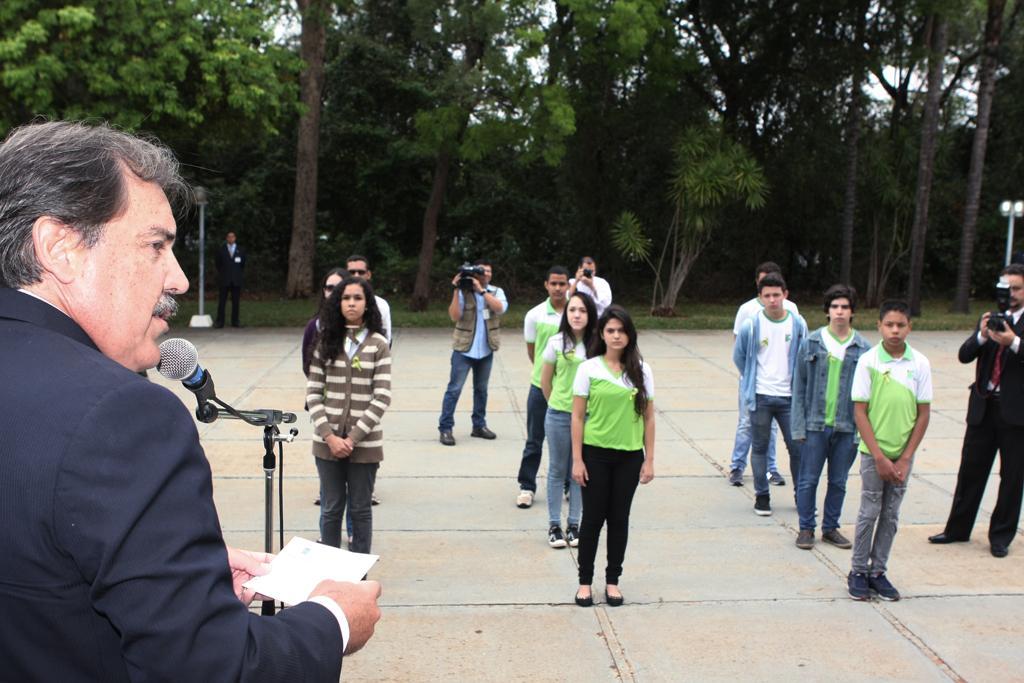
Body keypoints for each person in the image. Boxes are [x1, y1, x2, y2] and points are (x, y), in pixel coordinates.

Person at [0, 120, 380, 680]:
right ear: (61, 247)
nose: (177, 279)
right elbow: (215, 670)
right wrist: (333, 620)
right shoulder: (122, 416)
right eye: (156, 245)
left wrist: (164, 571)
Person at [929, 264, 1024, 558]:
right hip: (983, 408)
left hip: (1016, 413)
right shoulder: (991, 319)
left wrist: (1015, 343)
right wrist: (982, 336)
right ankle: (957, 529)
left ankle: (1000, 536)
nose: (1010, 293)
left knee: (1012, 477)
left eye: (1017, 288)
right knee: (970, 471)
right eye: (1006, 288)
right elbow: (964, 355)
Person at [847, 300, 932, 601]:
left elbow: (923, 414)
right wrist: (879, 456)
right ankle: (858, 570)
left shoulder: (919, 363)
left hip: (902, 455)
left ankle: (878, 571)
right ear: (879, 326)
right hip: (874, 453)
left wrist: (906, 457)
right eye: (889, 325)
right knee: (869, 511)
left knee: (891, 514)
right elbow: (860, 412)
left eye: (901, 325)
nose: (895, 331)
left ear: (910, 327)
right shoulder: (869, 361)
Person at [571, 305, 655, 608]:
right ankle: (584, 582)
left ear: (629, 334)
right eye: (610, 330)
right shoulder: (588, 369)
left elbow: (649, 417)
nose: (616, 335)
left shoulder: (641, 370)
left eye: (621, 330)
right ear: (602, 334)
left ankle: (612, 581)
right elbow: (578, 417)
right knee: (592, 519)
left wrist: (649, 459)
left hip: (630, 456)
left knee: (619, 519)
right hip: (595, 455)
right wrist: (577, 460)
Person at [306, 276, 392, 554]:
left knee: (360, 510)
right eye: (346, 298)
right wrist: (330, 436)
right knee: (331, 508)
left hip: (364, 445)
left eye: (357, 298)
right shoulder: (325, 340)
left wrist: (352, 438)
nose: (351, 303)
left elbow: (382, 397)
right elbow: (313, 393)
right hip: (327, 444)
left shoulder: (378, 344)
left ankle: (359, 576)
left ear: (367, 304)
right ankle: (330, 573)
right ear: (337, 303)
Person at [791, 284, 870, 550]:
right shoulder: (812, 342)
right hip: (815, 425)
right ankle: (805, 528)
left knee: (838, 481)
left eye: (845, 307)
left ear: (852, 312)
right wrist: (798, 426)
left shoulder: (863, 348)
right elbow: (798, 386)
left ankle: (831, 528)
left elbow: (867, 395)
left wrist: (862, 430)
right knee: (808, 479)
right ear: (827, 311)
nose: (839, 312)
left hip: (847, 426)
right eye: (835, 307)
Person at [732, 273, 807, 516]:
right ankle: (762, 496)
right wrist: (753, 379)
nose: (773, 300)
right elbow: (739, 356)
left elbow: (805, 355)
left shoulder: (797, 324)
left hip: (790, 398)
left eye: (777, 295)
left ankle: (801, 496)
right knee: (761, 447)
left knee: (797, 449)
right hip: (761, 397)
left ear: (785, 295)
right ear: (760, 297)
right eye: (767, 296)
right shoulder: (751, 325)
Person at [540, 291, 597, 548]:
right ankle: (554, 526)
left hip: (590, 417)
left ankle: (574, 525)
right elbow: (545, 382)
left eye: (582, 311)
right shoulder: (556, 342)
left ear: (590, 315)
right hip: (559, 416)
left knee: (580, 471)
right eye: (572, 310)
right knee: (557, 470)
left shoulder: (598, 343)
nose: (576, 315)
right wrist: (560, 405)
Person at [516, 266, 571, 508]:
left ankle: (571, 484)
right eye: (554, 284)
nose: (558, 288)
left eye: (562, 284)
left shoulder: (577, 312)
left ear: (569, 285)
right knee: (534, 439)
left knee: (572, 439)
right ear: (546, 285)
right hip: (540, 386)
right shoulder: (535, 315)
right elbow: (532, 351)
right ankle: (527, 486)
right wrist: (545, 373)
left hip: (569, 389)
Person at [438, 259, 508, 445]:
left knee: (481, 390)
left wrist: (482, 291)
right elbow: (454, 316)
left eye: (488, 271)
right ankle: (445, 428)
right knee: (454, 390)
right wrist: (456, 289)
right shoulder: (463, 291)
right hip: (463, 349)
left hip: (486, 349)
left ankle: (479, 426)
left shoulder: (496, 291)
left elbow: (500, 309)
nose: (485, 274)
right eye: (481, 271)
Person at [346, 254, 392, 343]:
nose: (356, 275)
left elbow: (386, 339)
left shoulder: (381, 305)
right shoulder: (337, 302)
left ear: (368, 274)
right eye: (352, 272)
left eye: (361, 272)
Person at [214, 230, 245, 328]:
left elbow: (243, 264)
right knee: (222, 302)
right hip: (224, 280)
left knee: (236, 302)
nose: (231, 238)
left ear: (235, 238)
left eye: (233, 237)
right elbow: (218, 264)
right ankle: (220, 322)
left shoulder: (241, 250)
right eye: (229, 237)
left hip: (236, 280)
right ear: (226, 238)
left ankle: (235, 322)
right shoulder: (221, 250)